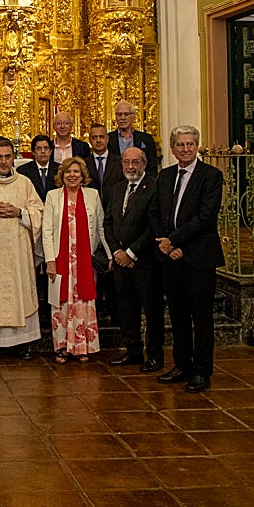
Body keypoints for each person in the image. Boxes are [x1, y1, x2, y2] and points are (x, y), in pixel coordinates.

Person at [150, 126, 224, 394]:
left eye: (190, 144)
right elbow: (155, 213)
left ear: (197, 146)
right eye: (180, 145)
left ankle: (203, 371)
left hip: (198, 257)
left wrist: (176, 241)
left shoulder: (211, 176)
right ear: (172, 148)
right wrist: (166, 243)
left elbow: (205, 217)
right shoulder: (166, 176)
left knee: (201, 317)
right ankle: (182, 364)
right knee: (178, 315)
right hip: (171, 257)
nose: (185, 149)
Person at [0, 139, 44, 360]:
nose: (4, 162)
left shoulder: (24, 183)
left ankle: (23, 343)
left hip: (18, 251)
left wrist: (20, 212)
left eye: (8, 157)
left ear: (14, 158)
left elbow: (39, 211)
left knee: (19, 288)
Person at [43, 157, 111, 363]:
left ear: (83, 176)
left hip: (83, 260)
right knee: (61, 303)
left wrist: (108, 253)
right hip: (60, 259)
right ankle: (62, 347)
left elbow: (100, 226)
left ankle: (83, 346)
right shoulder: (52, 196)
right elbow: (47, 230)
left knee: (84, 301)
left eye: (76, 172)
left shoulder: (92, 195)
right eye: (68, 172)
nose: (72, 176)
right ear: (61, 176)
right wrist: (50, 260)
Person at [104, 147, 163, 372]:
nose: (131, 167)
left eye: (135, 162)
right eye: (126, 162)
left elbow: (153, 226)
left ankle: (155, 355)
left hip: (144, 261)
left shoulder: (154, 188)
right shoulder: (117, 189)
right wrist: (117, 251)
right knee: (126, 309)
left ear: (144, 164)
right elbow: (108, 222)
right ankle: (133, 351)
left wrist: (131, 252)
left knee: (152, 309)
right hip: (121, 262)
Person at [108, 101, 159, 173]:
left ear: (133, 116)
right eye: (119, 114)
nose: (122, 118)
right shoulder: (108, 139)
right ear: (115, 117)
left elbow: (152, 166)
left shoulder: (146, 139)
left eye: (126, 114)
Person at [85, 123, 124, 206]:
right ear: (89, 140)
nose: (98, 140)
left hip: (115, 208)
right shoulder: (84, 164)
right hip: (91, 208)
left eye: (101, 137)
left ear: (107, 138)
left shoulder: (119, 162)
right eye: (94, 137)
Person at [25, 135, 60, 203]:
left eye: (46, 148)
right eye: (39, 148)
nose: (43, 151)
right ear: (33, 152)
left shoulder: (60, 169)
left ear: (50, 151)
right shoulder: (23, 171)